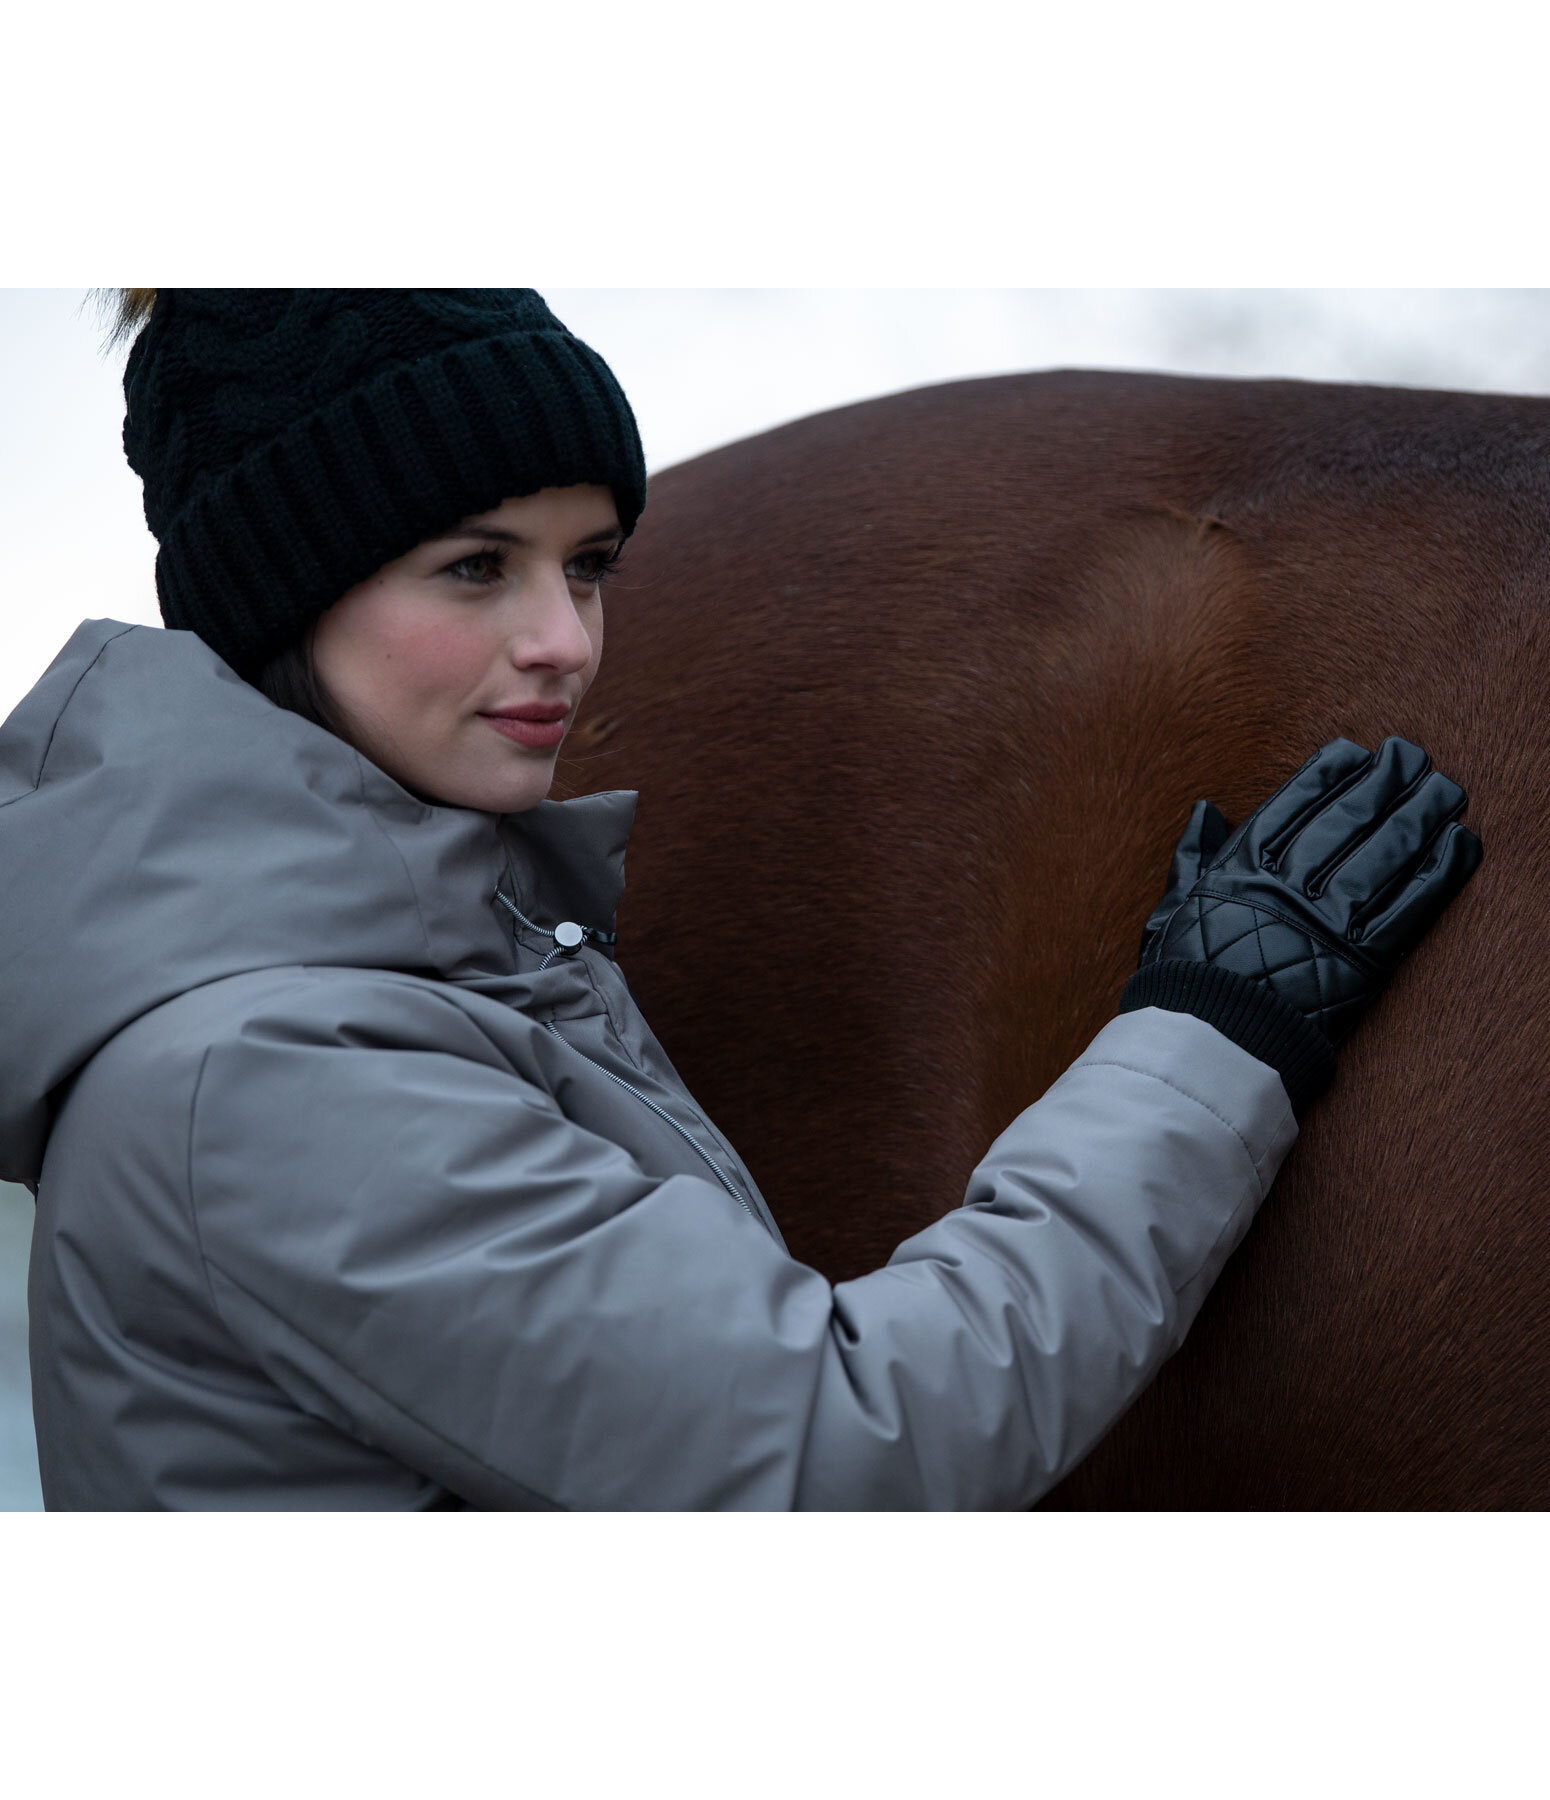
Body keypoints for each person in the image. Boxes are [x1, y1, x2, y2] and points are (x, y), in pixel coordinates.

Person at [0, 289, 1483, 1510]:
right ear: (281, 600)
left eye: (587, 567)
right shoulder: (265, 1078)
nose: (562, 641)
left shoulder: (419, 967)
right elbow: (836, 1450)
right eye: (473, 570)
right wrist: (1209, 1036)